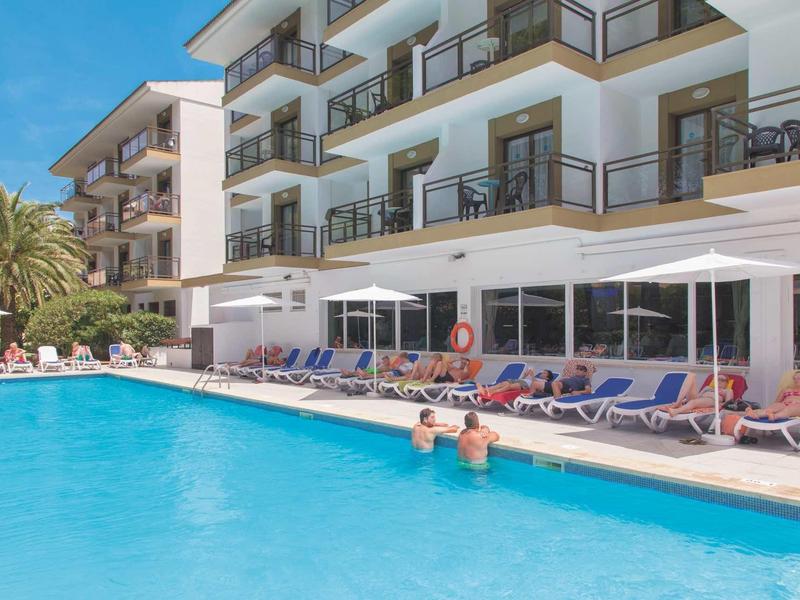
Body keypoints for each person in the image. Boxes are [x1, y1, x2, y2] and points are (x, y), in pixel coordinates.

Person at [665, 372, 733, 417]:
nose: (719, 381)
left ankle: (676, 411)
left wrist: (719, 404)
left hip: (712, 400)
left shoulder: (727, 391)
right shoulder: (708, 387)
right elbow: (698, 396)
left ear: (727, 383)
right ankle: (678, 402)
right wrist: (684, 401)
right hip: (699, 399)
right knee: (691, 375)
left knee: (693, 402)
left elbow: (728, 404)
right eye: (717, 379)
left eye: (722, 380)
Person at [476, 368, 554, 397]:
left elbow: (534, 385)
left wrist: (532, 375)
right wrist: (525, 375)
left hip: (526, 385)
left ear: (547, 377)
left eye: (544, 373)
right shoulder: (537, 377)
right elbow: (523, 379)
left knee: (508, 386)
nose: (542, 373)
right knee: (502, 384)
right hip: (521, 381)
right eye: (542, 372)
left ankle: (492, 392)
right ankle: (486, 390)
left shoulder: (544, 382)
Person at [527, 365, 591, 399]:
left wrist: (578, 392)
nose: (578, 370)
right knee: (534, 384)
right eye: (577, 369)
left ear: (585, 372)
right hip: (556, 386)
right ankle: (530, 405)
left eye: (581, 369)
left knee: (555, 383)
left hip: (567, 388)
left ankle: (557, 406)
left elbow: (588, 391)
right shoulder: (571, 377)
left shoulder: (585, 379)